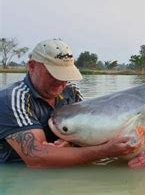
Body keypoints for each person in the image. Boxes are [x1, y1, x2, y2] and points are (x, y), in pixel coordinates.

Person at [0, 39, 136, 168]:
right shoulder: (13, 98)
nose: (61, 82)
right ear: (32, 66)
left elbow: (86, 129)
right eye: (53, 74)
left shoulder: (70, 91)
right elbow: (36, 158)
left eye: (65, 75)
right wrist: (104, 152)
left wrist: (70, 142)